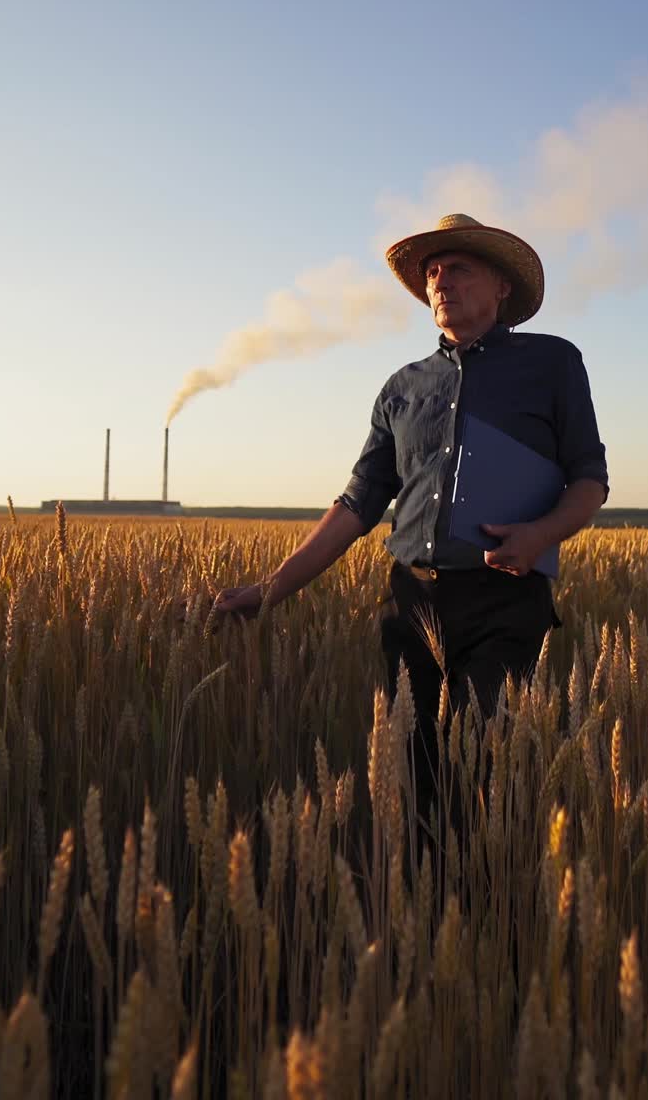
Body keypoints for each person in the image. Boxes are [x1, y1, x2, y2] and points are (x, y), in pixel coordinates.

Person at [214, 212, 609, 837]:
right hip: (411, 600)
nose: (441, 282)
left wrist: (540, 536)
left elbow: (590, 480)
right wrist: (270, 590)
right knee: (410, 773)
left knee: (489, 768)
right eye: (431, 273)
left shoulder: (553, 364)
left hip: (504, 601)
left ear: (501, 286)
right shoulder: (402, 387)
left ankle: (490, 911)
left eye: (459, 269)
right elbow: (357, 504)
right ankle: (418, 913)